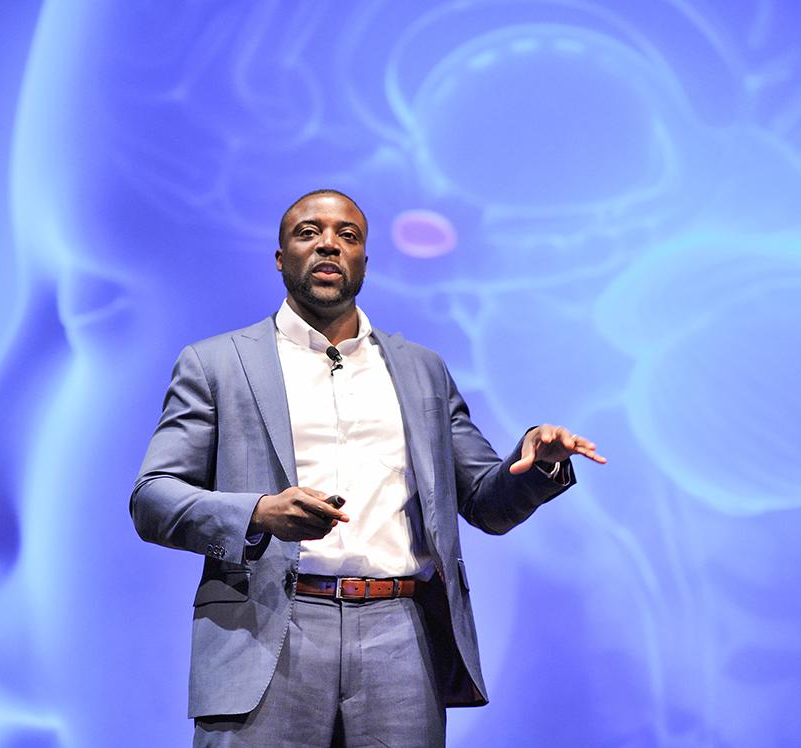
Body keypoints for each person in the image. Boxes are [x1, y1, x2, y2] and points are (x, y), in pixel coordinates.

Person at [130, 189, 607, 746]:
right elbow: (153, 497)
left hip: (398, 633)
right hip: (268, 627)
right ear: (280, 258)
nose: (328, 244)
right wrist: (258, 513)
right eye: (308, 233)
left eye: (347, 236)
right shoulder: (216, 363)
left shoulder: (422, 370)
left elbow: (483, 500)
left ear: (364, 262)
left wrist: (534, 465)